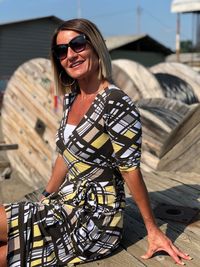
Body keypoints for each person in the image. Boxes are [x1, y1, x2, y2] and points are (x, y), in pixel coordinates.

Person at [0, 18, 192, 267]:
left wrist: (153, 229)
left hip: (95, 220)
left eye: (78, 44)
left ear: (95, 46)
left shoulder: (115, 102)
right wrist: (46, 194)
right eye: (61, 51)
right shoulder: (72, 99)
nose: (70, 55)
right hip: (64, 204)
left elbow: (130, 168)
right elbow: (65, 155)